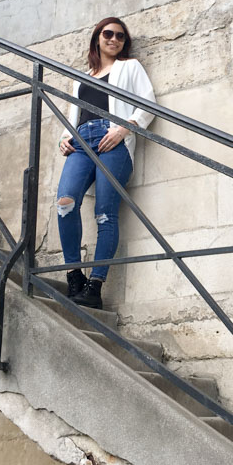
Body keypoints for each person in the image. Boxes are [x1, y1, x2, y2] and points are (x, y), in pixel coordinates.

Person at [56, 17, 155, 309]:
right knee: (65, 202)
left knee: (105, 212)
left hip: (112, 140)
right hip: (80, 142)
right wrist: (65, 136)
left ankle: (95, 285)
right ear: (97, 38)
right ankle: (74, 274)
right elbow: (75, 114)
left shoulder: (130, 67)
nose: (114, 39)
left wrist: (125, 128)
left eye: (120, 37)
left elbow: (148, 102)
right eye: (108, 34)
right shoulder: (81, 78)